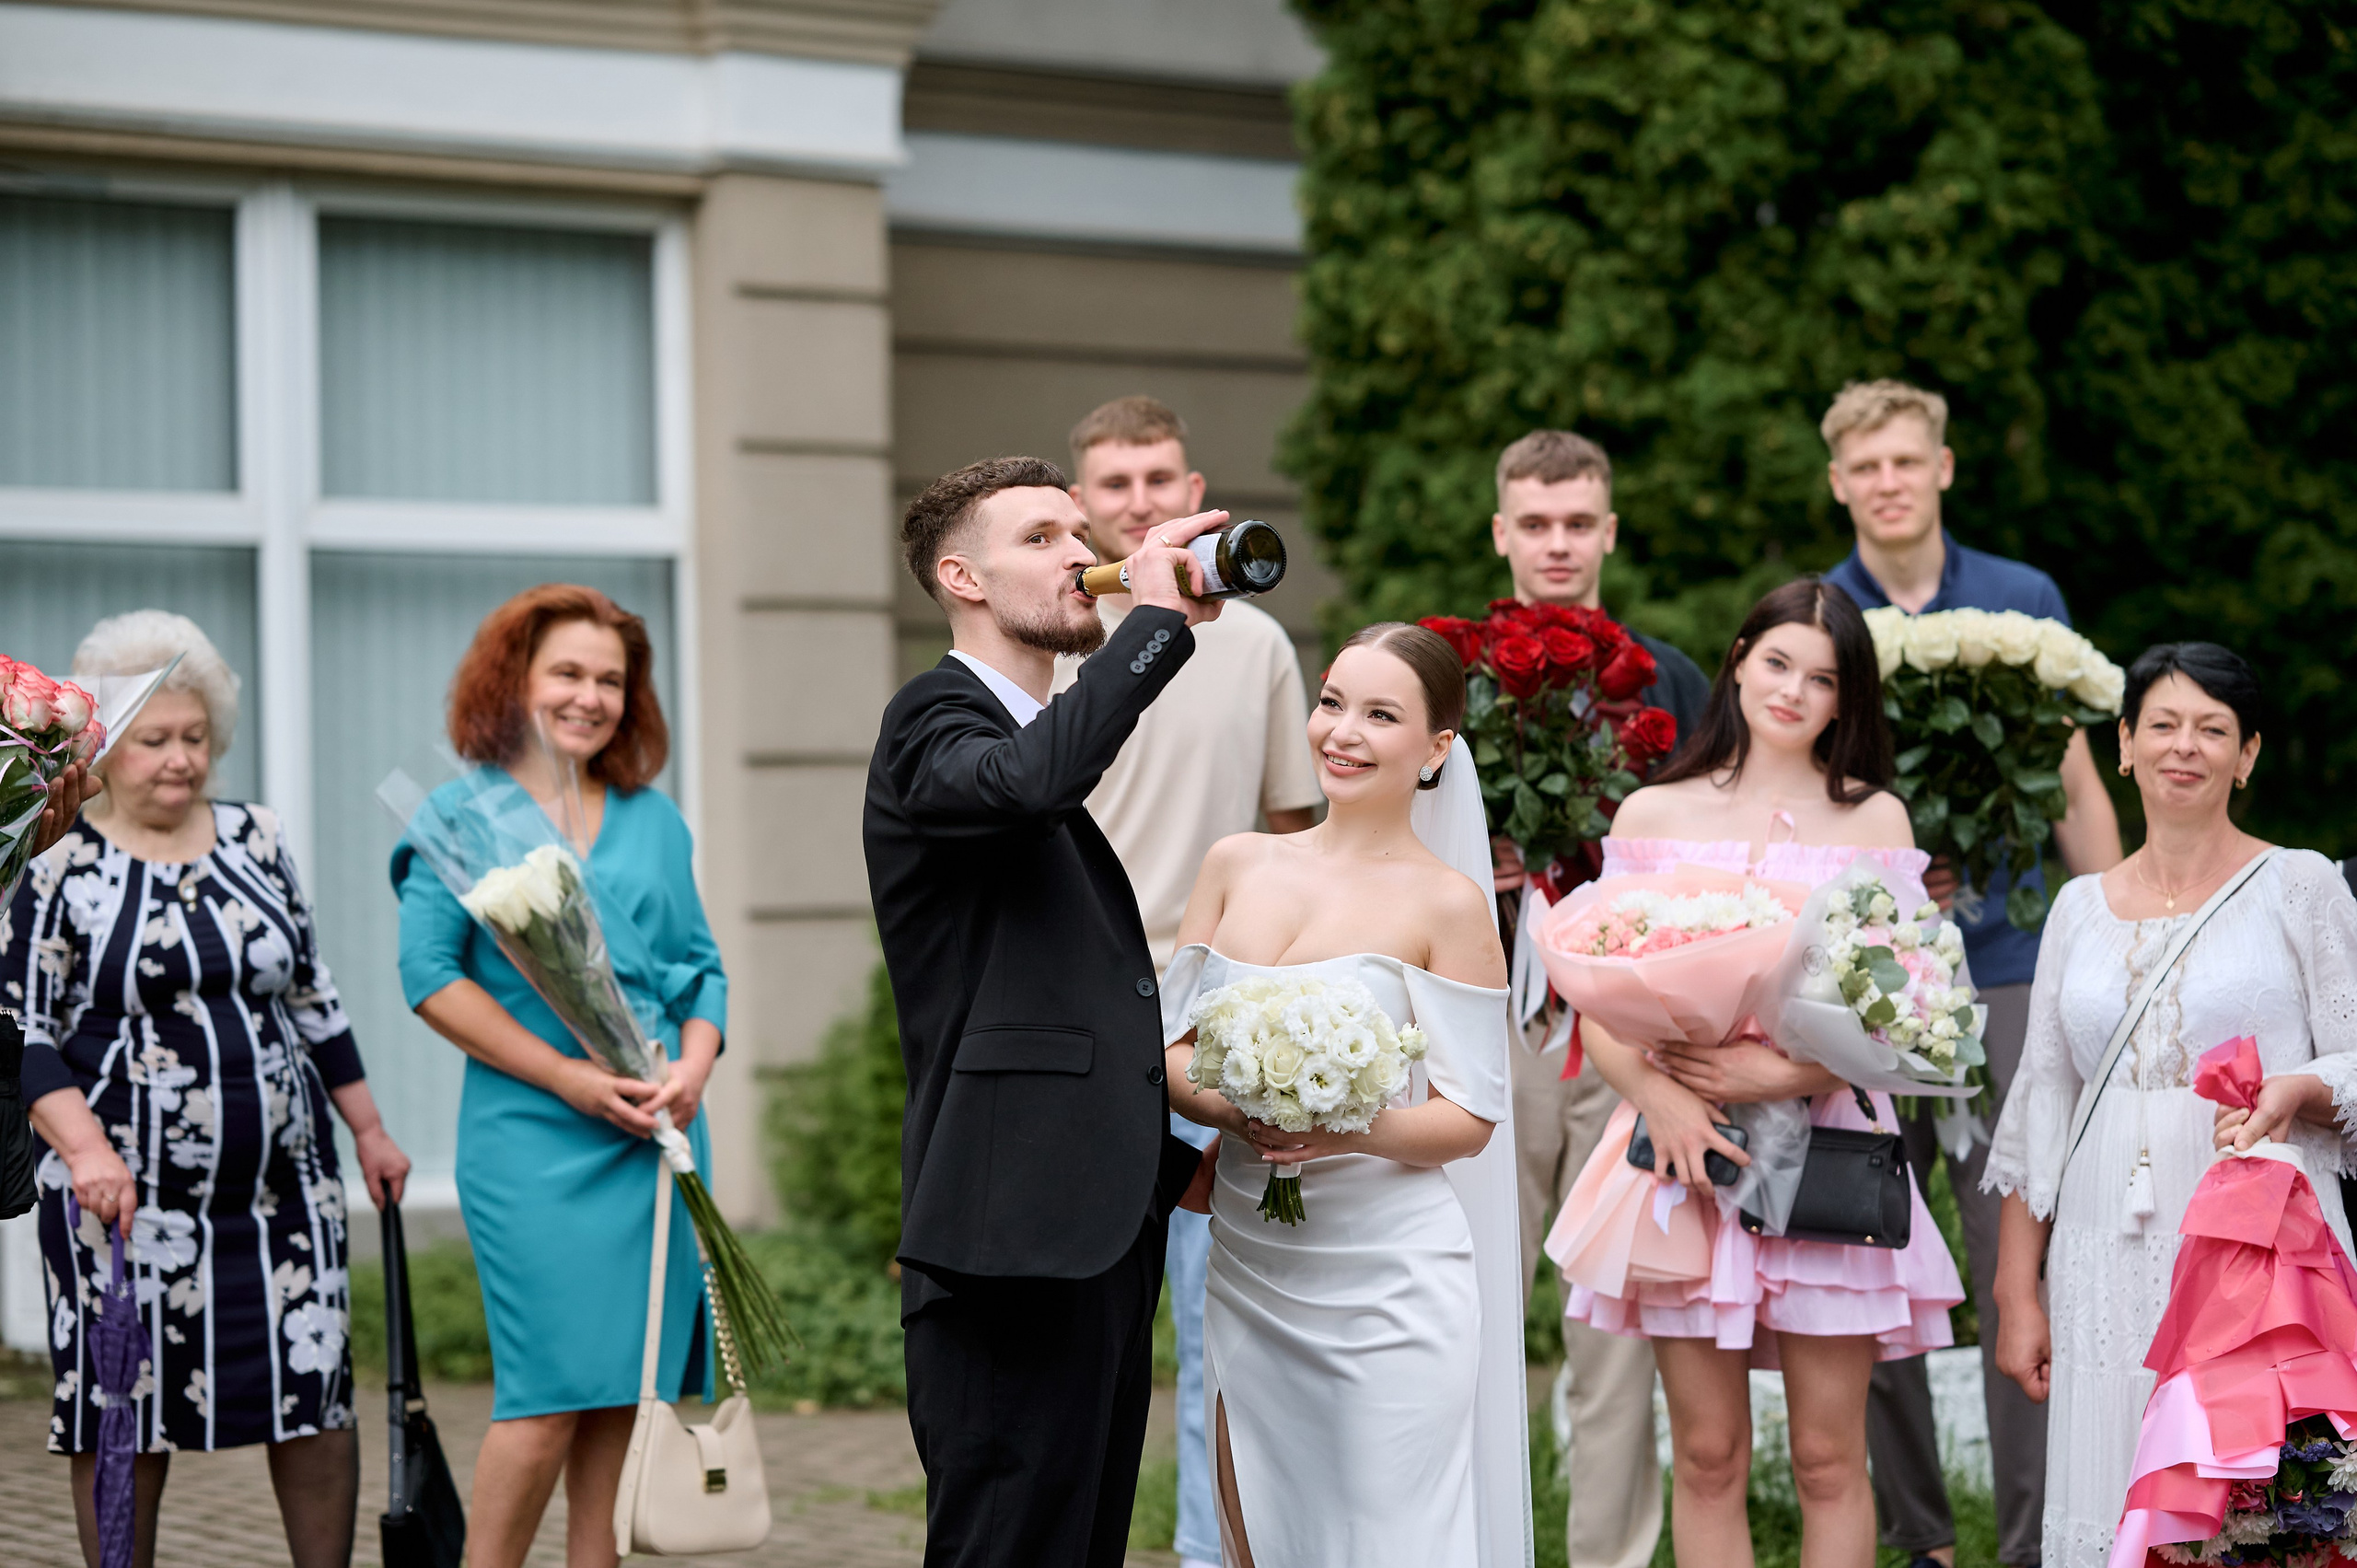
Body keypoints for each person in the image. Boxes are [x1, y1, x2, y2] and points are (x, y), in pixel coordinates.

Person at [1561, 577, 1966, 1566]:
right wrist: (1664, 1094)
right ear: (1739, 656)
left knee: (1830, 1455)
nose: (1791, 690)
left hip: (1825, 1139)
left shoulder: (1875, 822)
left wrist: (1775, 1077)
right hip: (1682, 1152)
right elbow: (1599, 992)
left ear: (1845, 699)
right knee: (1705, 1453)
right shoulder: (1654, 807)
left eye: (1821, 678)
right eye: (1777, 661)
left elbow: (1910, 1017)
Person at [865, 456, 1219, 1568]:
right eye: (1042, 537)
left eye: (1081, 531)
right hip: (1005, 1236)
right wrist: (1152, 626)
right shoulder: (932, 720)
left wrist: (1169, 1145)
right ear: (960, 575)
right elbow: (1025, 784)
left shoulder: (1035, 744)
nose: (1081, 551)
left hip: (1088, 1225)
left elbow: (1059, 993)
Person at [4, 610, 411, 1568]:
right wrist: (86, 1149)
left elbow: (313, 990)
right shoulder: (58, 859)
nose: (179, 758)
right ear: (109, 745)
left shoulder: (257, 837)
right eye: (154, 739)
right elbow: (19, 1027)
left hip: (283, 1198)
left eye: (195, 737)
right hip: (122, 1204)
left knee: (311, 1391)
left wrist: (372, 1131)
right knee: (123, 1408)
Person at [1818, 378, 2123, 1568]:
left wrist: (2112, 935)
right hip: (1868, 991)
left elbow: (2075, 787)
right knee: (1872, 1251)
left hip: (2008, 967)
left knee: (2018, 1262)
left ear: (1943, 468)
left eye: (1908, 459)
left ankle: (2039, 1542)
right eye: (1867, 464)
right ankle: (1924, 1539)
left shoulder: (2023, 602)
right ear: (1839, 481)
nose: (1889, 480)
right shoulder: (1820, 614)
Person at [1984, 642, 2357, 1568]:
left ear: (2248, 754)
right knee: (2112, 1471)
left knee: (2252, 1502)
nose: (2183, 746)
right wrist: (2013, 1288)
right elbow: (2043, 1105)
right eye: (2162, 723)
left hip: (2257, 1235)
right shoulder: (2076, 906)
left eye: (2211, 728)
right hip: (2100, 1239)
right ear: (2122, 745)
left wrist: (2303, 1085)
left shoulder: (2301, 882)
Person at [1160, 621, 1525, 1566]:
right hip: (1248, 1257)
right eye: (1331, 702)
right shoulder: (1235, 861)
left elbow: (1469, 1116)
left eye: (1380, 713)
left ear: (1437, 747)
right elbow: (1167, 1048)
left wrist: (1344, 1126)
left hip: (1387, 1280)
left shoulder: (1447, 903)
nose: (1342, 731)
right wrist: (1232, 1110)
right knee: (1259, 1535)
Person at [394, 585, 726, 1568]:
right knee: (542, 1403)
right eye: (568, 673)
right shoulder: (458, 814)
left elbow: (700, 966)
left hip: (654, 1138)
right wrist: (570, 1077)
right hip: (534, 1136)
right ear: (514, 683)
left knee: (627, 1402)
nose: (590, 696)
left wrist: (695, 1065)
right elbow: (428, 978)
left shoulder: (655, 819)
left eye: (611, 680)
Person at [1051, 394, 1321, 1568]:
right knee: (1089, 1326)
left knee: (1223, 1322)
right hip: (1086, 1023)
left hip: (1215, 1023)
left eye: (1158, 480)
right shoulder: (1058, 637)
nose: (1140, 502)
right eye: (1114, 485)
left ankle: (1215, 1553)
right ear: (1080, 505)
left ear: (1194, 487)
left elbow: (1298, 827)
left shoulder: (1254, 640)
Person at [1486, 427, 1710, 1568]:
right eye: (1536, 522)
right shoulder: (1456, 675)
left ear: (1609, 531)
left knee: (1611, 1332)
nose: (1558, 543)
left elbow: (1717, 861)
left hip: (1626, 1037)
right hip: (1494, 1025)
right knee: (1472, 1313)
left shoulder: (1668, 680)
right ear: (1501, 532)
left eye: (1578, 522)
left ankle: (1610, 1556)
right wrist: (1479, 866)